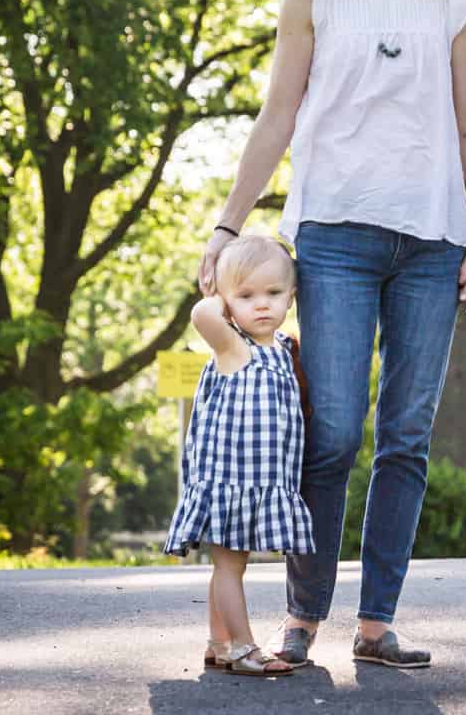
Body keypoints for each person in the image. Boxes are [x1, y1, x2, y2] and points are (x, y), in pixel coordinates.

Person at [197, 0, 466, 670]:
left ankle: (377, 624)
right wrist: (229, 224)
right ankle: (305, 611)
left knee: (406, 437)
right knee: (331, 433)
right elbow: (278, 116)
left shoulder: (453, 1)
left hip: (433, 243)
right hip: (333, 237)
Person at [164, 234, 314, 677]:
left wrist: (238, 296)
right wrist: (220, 298)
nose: (261, 305)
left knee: (230, 566)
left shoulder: (284, 350)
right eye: (246, 296)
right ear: (228, 304)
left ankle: (218, 641)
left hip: (262, 484)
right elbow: (200, 312)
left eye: (273, 293)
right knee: (230, 568)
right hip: (231, 484)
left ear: (291, 296)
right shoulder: (234, 347)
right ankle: (242, 648)